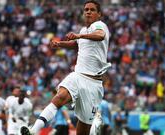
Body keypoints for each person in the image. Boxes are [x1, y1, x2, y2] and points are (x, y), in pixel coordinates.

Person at [20, 0, 111, 135]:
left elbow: (100, 35)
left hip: (93, 84)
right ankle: (34, 129)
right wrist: (60, 44)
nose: (88, 12)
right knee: (59, 97)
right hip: (78, 75)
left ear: (99, 14)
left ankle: (95, 122)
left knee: (83, 131)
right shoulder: (83, 30)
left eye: (92, 10)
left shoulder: (100, 26)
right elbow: (77, 44)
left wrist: (79, 35)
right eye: (86, 10)